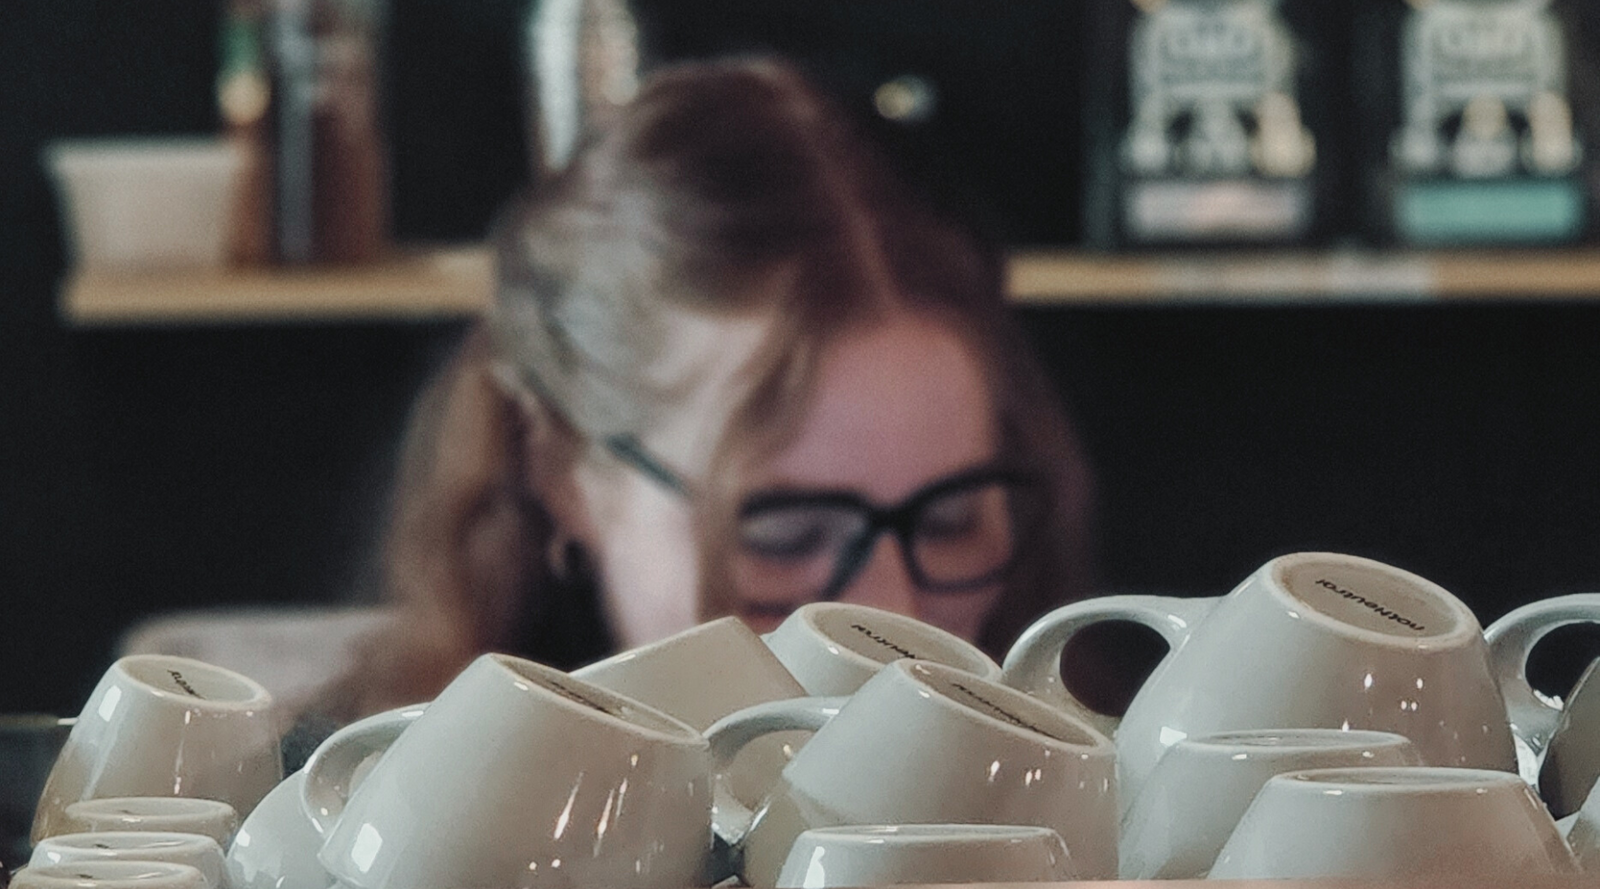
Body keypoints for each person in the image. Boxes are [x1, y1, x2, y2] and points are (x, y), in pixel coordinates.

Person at [322, 56, 1096, 719]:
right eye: (783, 535)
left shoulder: (1112, 794)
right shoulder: (354, 812)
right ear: (562, 471)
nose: (891, 617)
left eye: (950, 522)